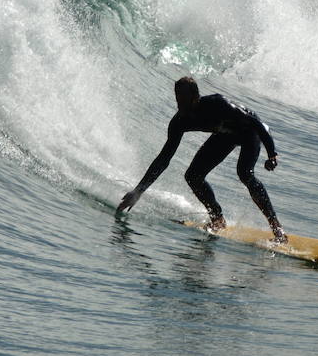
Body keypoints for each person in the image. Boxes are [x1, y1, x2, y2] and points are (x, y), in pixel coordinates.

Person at [117, 76, 287, 242]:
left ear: (194, 96)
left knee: (244, 173)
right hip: (225, 135)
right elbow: (164, 159)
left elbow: (256, 124)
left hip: (251, 132)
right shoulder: (179, 122)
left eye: (183, 99)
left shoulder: (218, 104)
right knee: (193, 176)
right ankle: (218, 219)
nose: (179, 103)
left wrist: (272, 153)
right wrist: (138, 191)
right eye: (177, 98)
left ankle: (276, 228)